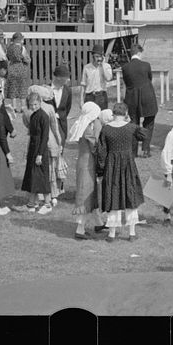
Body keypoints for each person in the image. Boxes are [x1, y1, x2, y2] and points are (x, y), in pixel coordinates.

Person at [97, 102, 147, 241]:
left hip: (112, 165)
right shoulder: (131, 128)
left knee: (113, 195)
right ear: (125, 114)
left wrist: (100, 170)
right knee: (130, 194)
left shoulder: (106, 129)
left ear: (113, 114)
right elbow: (144, 135)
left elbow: (101, 152)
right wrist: (130, 121)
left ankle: (112, 233)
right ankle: (131, 233)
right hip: (127, 164)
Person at [68, 100, 108, 240]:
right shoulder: (87, 129)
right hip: (87, 165)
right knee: (85, 196)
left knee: (91, 194)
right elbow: (95, 146)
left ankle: (98, 223)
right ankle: (80, 229)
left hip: (85, 163)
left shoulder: (83, 124)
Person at [121, 44, 158, 157]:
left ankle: (133, 151)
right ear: (139, 53)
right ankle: (146, 150)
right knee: (149, 122)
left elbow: (127, 83)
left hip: (132, 98)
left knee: (133, 123)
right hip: (147, 96)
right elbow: (149, 78)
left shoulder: (125, 67)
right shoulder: (146, 65)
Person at [21, 91, 54, 215]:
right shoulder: (34, 115)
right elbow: (32, 135)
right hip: (33, 149)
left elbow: (45, 137)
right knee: (32, 176)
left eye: (35, 104)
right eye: (31, 105)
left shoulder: (43, 116)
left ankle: (47, 204)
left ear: (40, 102)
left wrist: (40, 154)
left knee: (41, 176)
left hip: (41, 150)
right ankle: (31, 203)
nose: (33, 106)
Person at [5, 32, 32, 116]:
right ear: (19, 39)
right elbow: (24, 58)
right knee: (22, 88)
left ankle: (14, 107)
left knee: (13, 87)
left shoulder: (9, 47)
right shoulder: (21, 48)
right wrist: (27, 60)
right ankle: (23, 107)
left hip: (12, 67)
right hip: (21, 68)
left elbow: (8, 57)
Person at [80, 43, 113, 109]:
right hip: (89, 96)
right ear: (93, 56)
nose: (99, 59)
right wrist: (81, 100)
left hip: (101, 96)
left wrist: (103, 65)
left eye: (100, 56)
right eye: (97, 57)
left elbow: (108, 78)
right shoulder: (87, 67)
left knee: (102, 117)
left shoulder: (106, 66)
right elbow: (83, 84)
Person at [48, 64, 73, 139]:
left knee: (61, 146)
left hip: (62, 123)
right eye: (66, 77)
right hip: (48, 124)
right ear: (58, 77)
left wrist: (62, 116)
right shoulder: (46, 89)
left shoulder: (68, 91)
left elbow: (68, 107)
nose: (68, 79)